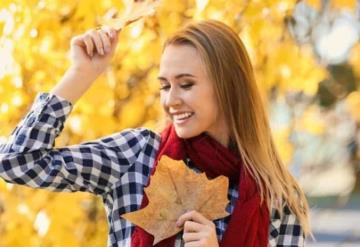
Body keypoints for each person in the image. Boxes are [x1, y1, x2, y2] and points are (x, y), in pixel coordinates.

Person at [0, 19, 310, 247]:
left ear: (229, 88)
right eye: (164, 85)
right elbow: (18, 162)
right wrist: (81, 74)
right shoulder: (137, 155)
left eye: (186, 84)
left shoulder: (278, 197)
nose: (170, 100)